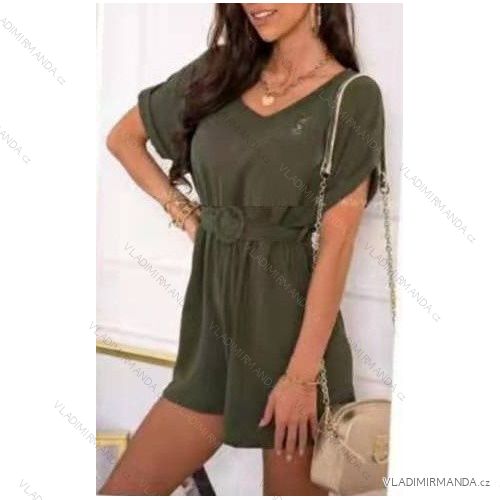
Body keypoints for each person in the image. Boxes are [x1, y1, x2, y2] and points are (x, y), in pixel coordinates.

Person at [101, 3, 385, 495]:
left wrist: (300, 380)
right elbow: (124, 138)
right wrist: (186, 215)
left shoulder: (351, 97)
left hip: (293, 342)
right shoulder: (219, 71)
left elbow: (338, 244)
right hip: (212, 336)